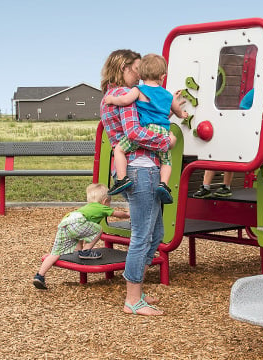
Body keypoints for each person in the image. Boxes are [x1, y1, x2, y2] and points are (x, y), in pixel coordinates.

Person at [100, 49, 174, 316]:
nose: (140, 74)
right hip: (141, 168)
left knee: (155, 234)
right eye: (136, 68)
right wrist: (166, 141)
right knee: (142, 235)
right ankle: (132, 299)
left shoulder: (117, 96)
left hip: (142, 168)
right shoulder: (124, 97)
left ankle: (136, 288)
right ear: (123, 69)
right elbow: (133, 132)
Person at [104, 53, 187, 204]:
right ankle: (164, 184)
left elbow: (125, 102)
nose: (137, 74)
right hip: (158, 136)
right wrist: (181, 114)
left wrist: (111, 100)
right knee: (167, 161)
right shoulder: (167, 95)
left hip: (148, 130)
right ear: (162, 76)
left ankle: (122, 179)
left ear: (143, 74)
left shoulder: (138, 90)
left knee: (119, 149)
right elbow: (157, 118)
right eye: (135, 68)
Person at [33, 184, 129, 290]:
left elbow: (81, 233)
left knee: (55, 254)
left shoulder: (85, 208)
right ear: (105, 201)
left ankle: (39, 276)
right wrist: (128, 214)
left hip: (65, 223)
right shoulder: (101, 207)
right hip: (77, 223)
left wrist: (78, 248)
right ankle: (86, 251)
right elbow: (118, 214)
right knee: (98, 229)